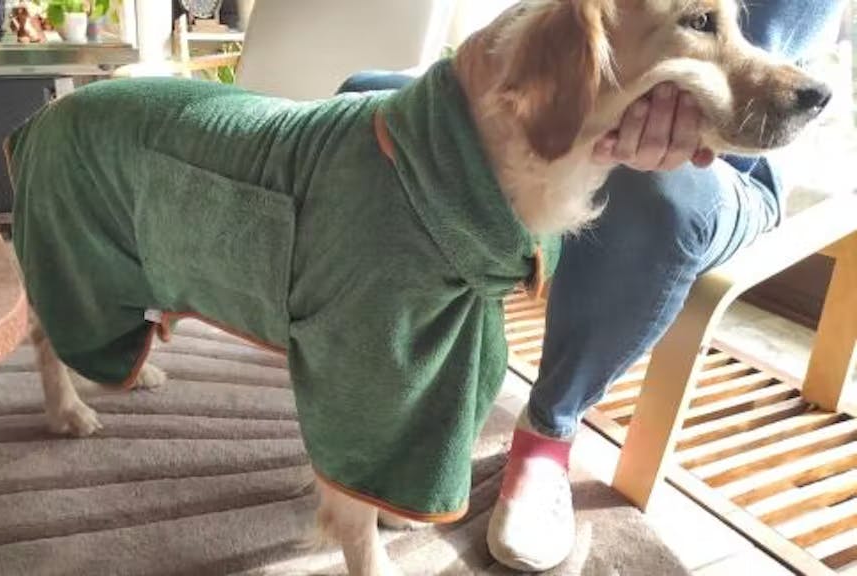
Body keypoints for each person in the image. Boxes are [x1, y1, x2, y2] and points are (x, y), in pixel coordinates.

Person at [337, 0, 849, 571]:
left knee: (656, 195)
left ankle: (549, 427)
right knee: (364, 99)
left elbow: (739, 67)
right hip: (597, 80)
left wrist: (658, 72)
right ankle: (360, 357)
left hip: (733, 171)